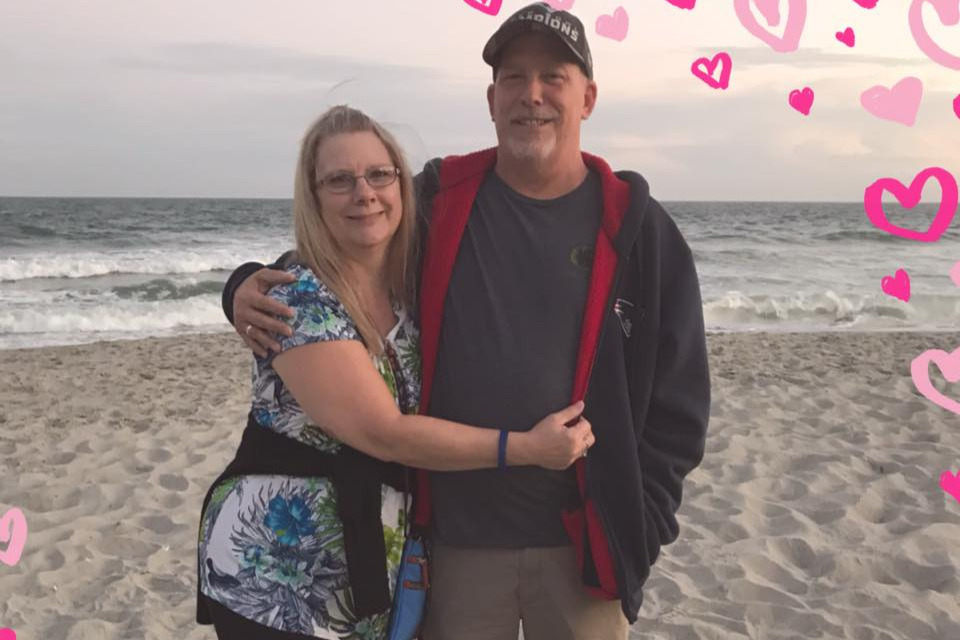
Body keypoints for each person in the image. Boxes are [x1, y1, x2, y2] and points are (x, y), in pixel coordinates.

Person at [224, 3, 711, 639]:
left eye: (553, 77)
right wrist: (241, 284)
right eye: (513, 78)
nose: (531, 95)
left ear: (587, 98)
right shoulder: (438, 198)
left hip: (583, 551)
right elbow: (349, 238)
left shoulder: (639, 230)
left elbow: (680, 400)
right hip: (456, 548)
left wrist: (642, 524)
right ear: (491, 99)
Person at [197, 104, 596, 640]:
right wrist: (527, 448)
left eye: (379, 175)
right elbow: (384, 433)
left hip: (368, 566)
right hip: (276, 578)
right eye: (340, 180)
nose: (364, 193)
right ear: (314, 198)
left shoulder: (410, 287)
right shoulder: (299, 299)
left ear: (402, 187)